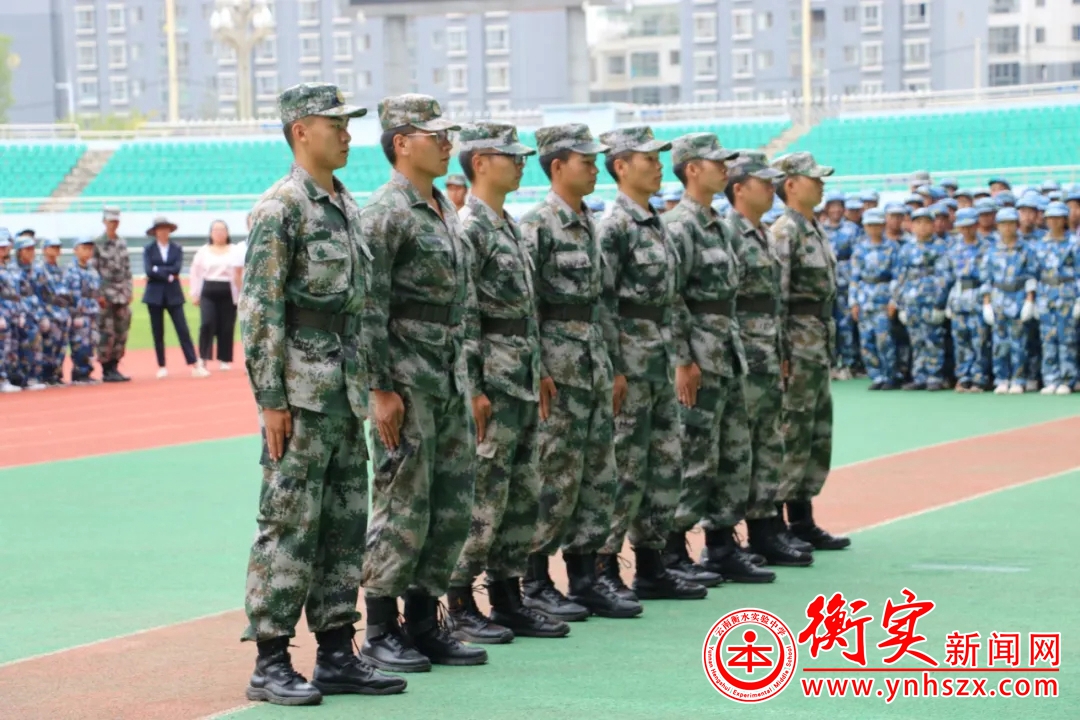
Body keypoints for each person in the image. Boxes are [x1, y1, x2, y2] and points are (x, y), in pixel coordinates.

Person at [239, 82, 404, 707]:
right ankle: (271, 660)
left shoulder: (344, 204)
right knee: (288, 524)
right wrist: (271, 399)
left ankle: (336, 651)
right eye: (335, 124)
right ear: (300, 130)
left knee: (343, 525)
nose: (347, 133)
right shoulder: (281, 208)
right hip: (300, 396)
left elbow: (359, 309)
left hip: (343, 393)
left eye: (348, 123)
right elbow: (261, 310)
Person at [359, 93, 487, 673]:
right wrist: (380, 388)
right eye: (434, 135)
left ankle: (423, 621)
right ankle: (380, 628)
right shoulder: (385, 212)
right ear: (401, 143)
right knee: (402, 503)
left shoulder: (443, 209)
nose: (446, 144)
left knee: (450, 503)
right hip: (406, 382)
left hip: (448, 377)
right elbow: (368, 307)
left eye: (446, 134)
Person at [444, 122, 569, 644]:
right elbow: (465, 313)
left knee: (521, 493)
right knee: (485, 495)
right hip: (492, 382)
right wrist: (473, 387)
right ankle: (458, 602)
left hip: (520, 378)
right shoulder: (469, 227)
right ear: (479, 163)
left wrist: (540, 369)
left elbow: (527, 310)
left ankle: (508, 597)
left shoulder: (509, 226)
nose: (520, 164)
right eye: (510, 156)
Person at [518, 124, 640, 621]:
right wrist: (537, 368)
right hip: (558, 369)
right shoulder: (537, 225)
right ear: (556, 166)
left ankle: (586, 577)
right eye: (585, 162)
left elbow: (602, 303)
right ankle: (534, 580)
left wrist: (614, 365)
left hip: (593, 366)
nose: (594, 169)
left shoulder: (590, 222)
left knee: (597, 475)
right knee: (554, 476)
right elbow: (525, 307)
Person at [593, 126, 706, 602]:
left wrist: (683, 356)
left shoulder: (654, 221)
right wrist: (615, 367)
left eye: (660, 159)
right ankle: (602, 567)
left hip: (658, 359)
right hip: (631, 362)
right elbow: (602, 301)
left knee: (665, 463)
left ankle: (652, 564)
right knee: (625, 467)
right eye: (649, 159)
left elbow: (671, 299)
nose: (659, 167)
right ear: (621, 166)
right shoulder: (613, 225)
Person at [661, 134, 755, 585]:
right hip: (698, 353)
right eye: (716, 163)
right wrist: (683, 359)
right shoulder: (680, 225)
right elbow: (671, 296)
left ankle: (721, 544)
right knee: (695, 454)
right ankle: (672, 549)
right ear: (692, 169)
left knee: (732, 452)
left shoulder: (718, 223)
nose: (725, 170)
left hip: (725, 350)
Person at [770, 152, 850, 552]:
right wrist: (782, 351)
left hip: (816, 341)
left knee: (816, 432)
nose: (821, 184)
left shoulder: (814, 229)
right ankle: (777, 522)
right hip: (797, 345)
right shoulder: (785, 232)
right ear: (790, 184)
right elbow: (777, 297)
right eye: (813, 179)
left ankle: (802, 519)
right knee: (792, 431)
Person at [892, 208, 952, 391]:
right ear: (912, 225)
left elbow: (944, 277)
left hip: (930, 300)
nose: (922, 226)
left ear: (933, 225)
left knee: (933, 339)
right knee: (916, 340)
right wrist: (900, 304)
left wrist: (939, 303)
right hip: (911, 302)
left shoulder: (940, 247)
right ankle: (919, 376)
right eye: (918, 222)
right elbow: (900, 277)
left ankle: (934, 376)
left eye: (926, 222)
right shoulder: (906, 249)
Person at [981, 208, 1038, 394]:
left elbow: (1031, 276)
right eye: (1003, 224)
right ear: (998, 226)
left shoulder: (1026, 249)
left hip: (1018, 297)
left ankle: (1018, 379)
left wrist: (1030, 300)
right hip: (998, 299)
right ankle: (1002, 378)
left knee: (1019, 342)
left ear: (1016, 225)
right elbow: (986, 279)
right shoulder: (991, 251)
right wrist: (986, 303)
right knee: (999, 343)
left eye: (1011, 224)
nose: (1007, 228)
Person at [141, 216, 202, 379]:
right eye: (160, 229)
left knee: (182, 329)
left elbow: (176, 268)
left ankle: (193, 362)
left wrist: (158, 270)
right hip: (154, 295)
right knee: (157, 331)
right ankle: (161, 365)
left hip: (173, 293)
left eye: (165, 229)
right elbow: (148, 270)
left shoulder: (176, 248)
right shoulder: (148, 249)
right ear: (155, 232)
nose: (163, 232)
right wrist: (167, 275)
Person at [850, 209, 902, 391]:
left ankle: (890, 375)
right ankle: (876, 375)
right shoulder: (859, 249)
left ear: (883, 226)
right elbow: (854, 278)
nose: (873, 229)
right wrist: (853, 302)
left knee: (884, 339)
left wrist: (894, 301)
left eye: (877, 225)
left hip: (883, 297)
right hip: (865, 299)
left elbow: (897, 276)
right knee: (866, 341)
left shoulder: (892, 247)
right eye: (870, 225)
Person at [1032, 202, 1078, 395]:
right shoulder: (1040, 243)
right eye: (1051, 218)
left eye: (1058, 218)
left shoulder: (1074, 242)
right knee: (1048, 338)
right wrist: (1032, 299)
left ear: (1064, 220)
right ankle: (1051, 378)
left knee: (1067, 338)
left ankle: (1068, 378)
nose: (1054, 222)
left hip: (1067, 293)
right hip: (1045, 294)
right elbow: (1034, 273)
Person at [945, 208, 989, 393]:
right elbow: (948, 276)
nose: (966, 230)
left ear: (976, 225)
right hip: (959, 298)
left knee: (980, 340)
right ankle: (963, 376)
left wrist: (987, 300)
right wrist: (947, 300)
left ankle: (979, 377)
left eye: (970, 226)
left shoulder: (986, 246)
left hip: (977, 296)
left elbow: (989, 275)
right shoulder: (953, 248)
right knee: (961, 340)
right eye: (963, 227)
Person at [189, 220, 240, 372]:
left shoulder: (235, 250)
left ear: (227, 232)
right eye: (216, 230)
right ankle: (203, 356)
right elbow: (195, 273)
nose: (219, 233)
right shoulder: (203, 251)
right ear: (211, 233)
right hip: (208, 290)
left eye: (222, 230)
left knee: (227, 326)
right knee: (207, 323)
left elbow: (240, 271)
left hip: (228, 290)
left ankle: (224, 358)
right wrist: (194, 293)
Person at [93, 206, 133, 382]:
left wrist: (129, 290)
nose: (113, 224)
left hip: (121, 294)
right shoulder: (97, 243)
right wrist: (99, 294)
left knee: (121, 331)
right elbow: (94, 271)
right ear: (104, 221)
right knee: (106, 332)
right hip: (106, 295)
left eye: (116, 221)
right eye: (110, 221)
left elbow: (127, 269)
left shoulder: (122, 243)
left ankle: (115, 365)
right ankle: (106, 367)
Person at [11, 236, 53, 391]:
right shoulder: (13, 269)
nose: (31, 252)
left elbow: (43, 293)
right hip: (18, 312)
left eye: (32, 249)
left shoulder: (37, 270)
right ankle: (19, 377)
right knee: (18, 346)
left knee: (35, 343)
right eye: (27, 249)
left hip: (35, 312)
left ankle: (33, 376)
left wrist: (44, 315)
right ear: (19, 251)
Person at [65, 237, 103, 385]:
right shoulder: (70, 270)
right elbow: (68, 294)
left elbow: (96, 292)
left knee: (92, 343)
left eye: (90, 249)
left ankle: (87, 371)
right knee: (79, 344)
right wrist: (74, 313)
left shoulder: (93, 271)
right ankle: (79, 372)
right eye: (84, 248)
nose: (88, 252)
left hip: (92, 312)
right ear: (76, 250)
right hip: (78, 314)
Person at [40, 237, 72, 386]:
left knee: (61, 346)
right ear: (45, 250)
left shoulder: (62, 270)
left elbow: (68, 292)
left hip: (63, 313)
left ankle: (56, 374)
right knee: (48, 345)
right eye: (52, 247)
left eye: (58, 247)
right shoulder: (40, 269)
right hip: (49, 312)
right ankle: (46, 375)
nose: (56, 250)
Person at [0, 230, 20, 393]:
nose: (3, 250)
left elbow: (16, 293)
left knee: (9, 348)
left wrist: (19, 313)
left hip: (11, 312)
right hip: (2, 313)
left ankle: (7, 377)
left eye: (4, 247)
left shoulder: (9, 267)